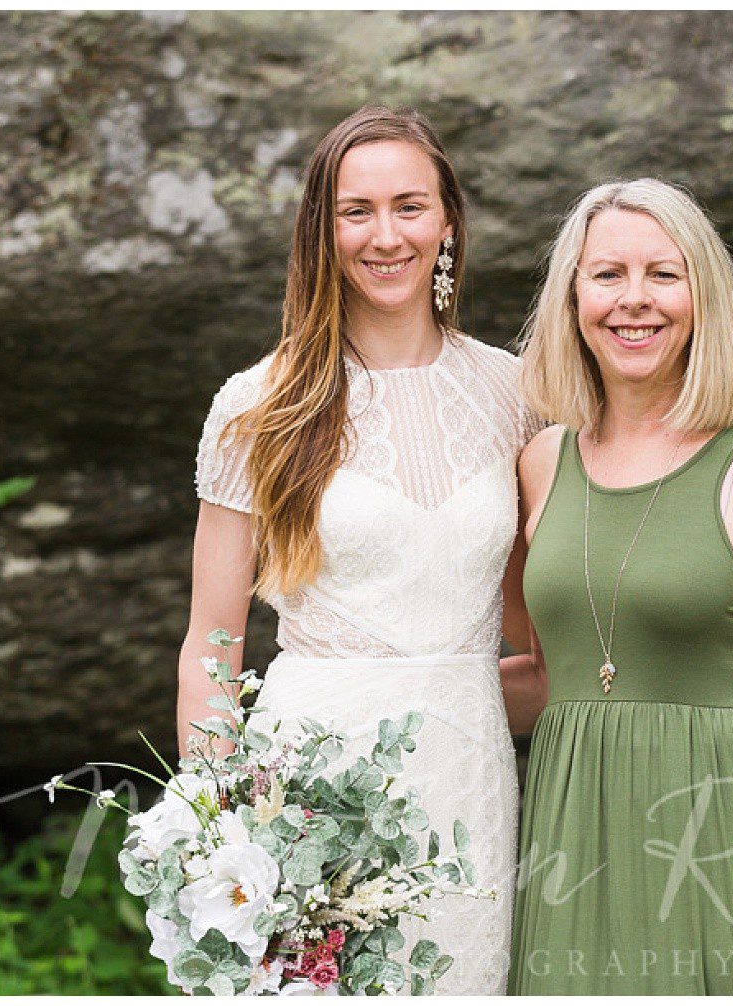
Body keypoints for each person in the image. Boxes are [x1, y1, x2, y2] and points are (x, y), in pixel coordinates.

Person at [182, 105, 539, 995]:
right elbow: (212, 646)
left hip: (470, 778)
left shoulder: (517, 395)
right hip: (310, 781)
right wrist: (219, 826)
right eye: (357, 211)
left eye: (410, 207)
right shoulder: (258, 404)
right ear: (322, 231)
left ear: (448, 222)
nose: (387, 235)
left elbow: (542, 640)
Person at [504, 179, 733, 995]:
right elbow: (547, 676)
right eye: (607, 275)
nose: (634, 301)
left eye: (664, 274)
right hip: (565, 854)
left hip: (720, 855)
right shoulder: (540, 465)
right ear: (572, 298)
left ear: (705, 295)